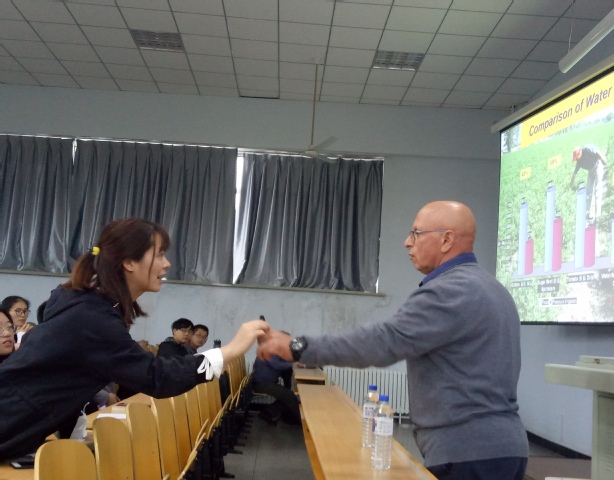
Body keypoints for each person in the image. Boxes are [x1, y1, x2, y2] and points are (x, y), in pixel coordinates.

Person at [258, 201, 528, 480]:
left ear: (446, 240)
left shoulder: (450, 290)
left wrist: (299, 347)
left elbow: (384, 341)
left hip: (469, 454)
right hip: (502, 448)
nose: (407, 242)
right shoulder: (495, 290)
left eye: (416, 233)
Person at [0, 218, 269, 459]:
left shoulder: (90, 305)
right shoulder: (92, 318)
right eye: (159, 254)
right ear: (129, 262)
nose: (167, 263)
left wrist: (72, 436)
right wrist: (232, 349)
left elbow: (69, 380)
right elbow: (158, 377)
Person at [252, 351, 300, 426]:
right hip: (261, 384)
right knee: (289, 395)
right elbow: (277, 365)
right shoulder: (269, 351)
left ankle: (267, 412)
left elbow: (281, 363)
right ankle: (302, 420)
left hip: (265, 382)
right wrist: (293, 364)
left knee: (287, 395)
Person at [569, 145, 607, 217]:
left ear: (579, 153)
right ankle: (591, 215)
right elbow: (574, 174)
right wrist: (570, 185)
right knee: (589, 193)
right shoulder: (579, 162)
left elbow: (596, 150)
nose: (576, 159)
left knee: (597, 190)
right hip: (590, 172)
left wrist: (602, 158)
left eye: (576, 157)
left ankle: (598, 215)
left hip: (597, 167)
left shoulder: (587, 149)